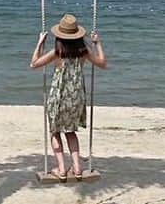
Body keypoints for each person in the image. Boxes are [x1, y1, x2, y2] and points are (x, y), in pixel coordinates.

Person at [29, 13, 108, 179]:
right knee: (71, 132)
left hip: (58, 98)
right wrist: (98, 43)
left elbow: (34, 64)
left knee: (55, 132)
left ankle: (62, 169)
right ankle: (78, 167)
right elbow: (102, 63)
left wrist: (39, 43)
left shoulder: (57, 52)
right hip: (76, 98)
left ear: (60, 36)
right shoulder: (83, 52)